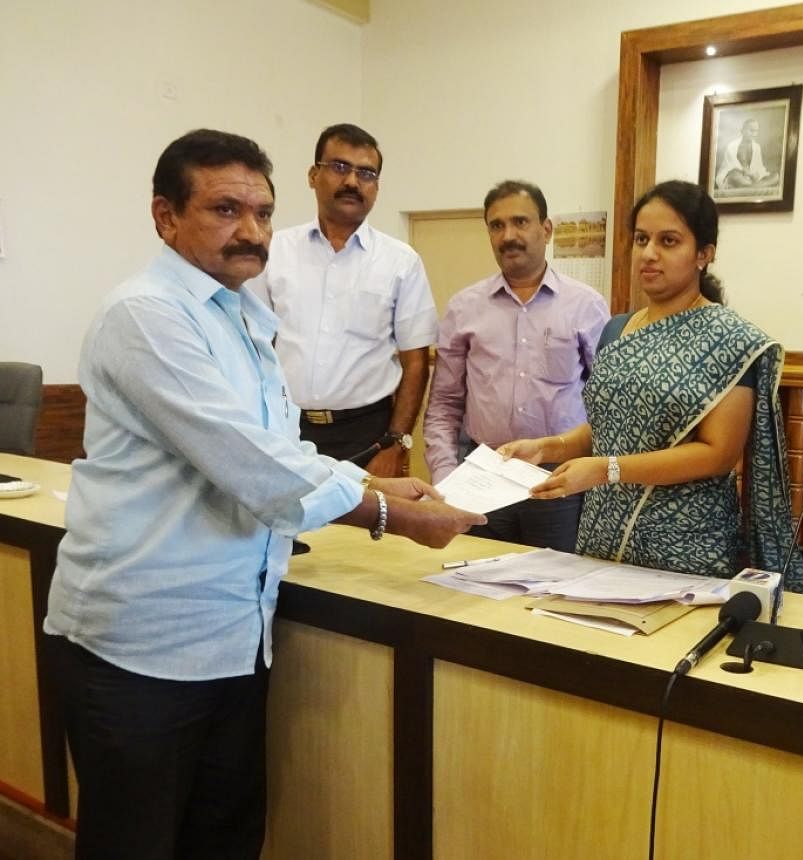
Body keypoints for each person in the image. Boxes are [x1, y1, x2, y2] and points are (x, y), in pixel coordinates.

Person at [43, 129, 484, 860]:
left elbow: (275, 445)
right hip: (140, 650)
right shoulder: (146, 315)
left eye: (261, 212)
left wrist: (374, 477)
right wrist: (392, 515)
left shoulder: (243, 314)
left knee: (225, 841)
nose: (249, 231)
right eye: (224, 209)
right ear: (165, 216)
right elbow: (248, 465)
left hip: (233, 642)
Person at [499, 180, 803, 591]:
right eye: (641, 239)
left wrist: (608, 470)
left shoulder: (730, 339)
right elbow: (611, 427)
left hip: (686, 549)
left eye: (668, 241)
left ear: (704, 254)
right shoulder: (617, 329)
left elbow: (717, 453)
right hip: (602, 538)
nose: (649, 253)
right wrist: (549, 447)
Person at [424, 180, 609, 551]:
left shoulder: (585, 305)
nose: (508, 235)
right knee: (472, 593)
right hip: (479, 479)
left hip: (557, 482)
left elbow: (605, 403)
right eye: (496, 225)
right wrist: (447, 480)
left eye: (521, 222)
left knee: (551, 593)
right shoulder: (465, 307)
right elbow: (443, 405)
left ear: (546, 229)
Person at [249, 123, 438, 476]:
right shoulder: (274, 250)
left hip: (367, 436)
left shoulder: (401, 262)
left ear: (377, 187)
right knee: (288, 529)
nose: (352, 181)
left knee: (369, 530)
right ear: (312, 175)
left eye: (366, 173)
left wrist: (397, 442)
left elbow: (416, 363)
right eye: (339, 167)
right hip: (285, 428)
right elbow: (254, 344)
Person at [715, 118, 779, 190]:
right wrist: (748, 173)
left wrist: (757, 174)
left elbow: (759, 166)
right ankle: (756, 186)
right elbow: (730, 166)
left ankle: (751, 187)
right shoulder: (732, 145)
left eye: (756, 131)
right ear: (742, 131)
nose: (754, 134)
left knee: (776, 176)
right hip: (737, 176)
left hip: (751, 179)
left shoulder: (757, 147)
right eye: (751, 131)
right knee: (734, 175)